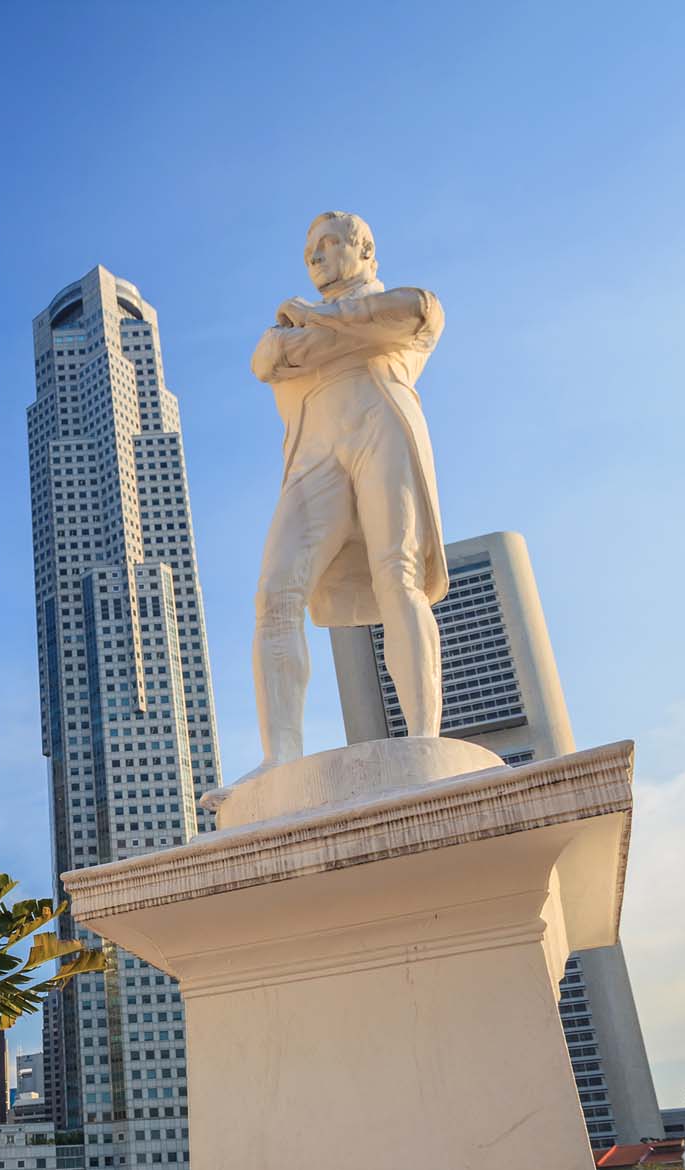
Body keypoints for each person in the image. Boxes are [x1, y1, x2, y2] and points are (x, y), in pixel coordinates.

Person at [205, 212, 448, 811]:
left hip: (380, 425)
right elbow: (267, 359)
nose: (315, 256)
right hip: (313, 451)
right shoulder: (321, 326)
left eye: (329, 243)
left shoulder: (408, 308)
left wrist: (312, 322)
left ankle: (424, 739)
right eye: (309, 248)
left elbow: (413, 311)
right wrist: (350, 333)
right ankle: (279, 756)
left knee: (400, 573)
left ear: (365, 249)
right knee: (274, 596)